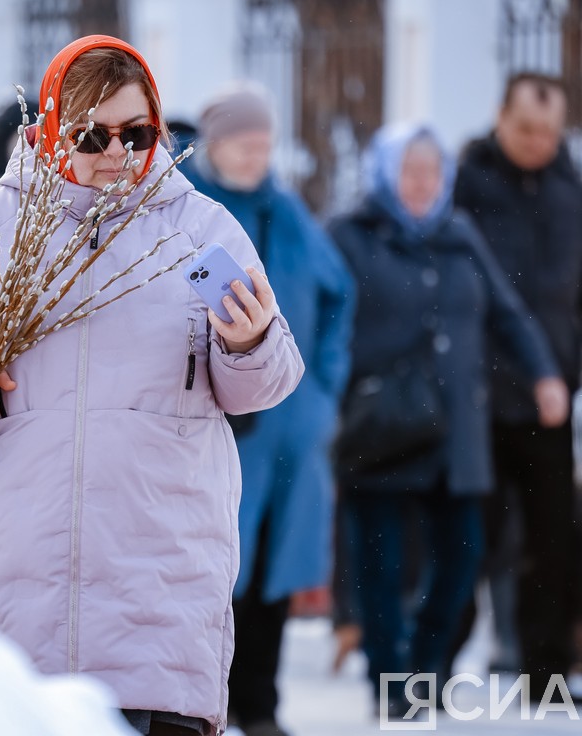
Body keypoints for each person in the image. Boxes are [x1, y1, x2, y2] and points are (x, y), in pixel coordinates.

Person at [0, 35, 305, 736]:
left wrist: (249, 340)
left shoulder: (200, 230)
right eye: (91, 134)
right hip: (12, 575)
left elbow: (269, 380)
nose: (117, 153)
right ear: (50, 127)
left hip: (160, 580)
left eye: (137, 134)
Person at [328, 124, 568, 714]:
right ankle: (392, 687)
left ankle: (423, 669)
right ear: (385, 174)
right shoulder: (350, 235)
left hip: (455, 428)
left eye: (432, 173)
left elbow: (508, 314)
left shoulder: (459, 233)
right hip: (380, 424)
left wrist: (544, 374)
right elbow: (321, 318)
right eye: (410, 172)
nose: (421, 184)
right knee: (380, 568)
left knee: (463, 555)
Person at [188, 82, 354, 736]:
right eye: (241, 144)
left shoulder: (287, 212)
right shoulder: (195, 214)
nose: (255, 158)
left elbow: (338, 295)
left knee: (278, 570)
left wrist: (324, 389)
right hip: (228, 426)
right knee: (219, 569)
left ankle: (262, 706)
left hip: (293, 427)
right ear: (214, 144)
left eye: (263, 146)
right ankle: (210, 703)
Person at [452, 72, 582, 703]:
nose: (538, 142)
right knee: (468, 540)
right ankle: (430, 668)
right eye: (527, 128)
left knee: (551, 542)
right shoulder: (466, 180)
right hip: (478, 396)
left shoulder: (570, 187)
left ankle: (546, 676)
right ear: (501, 117)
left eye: (550, 132)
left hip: (550, 393)